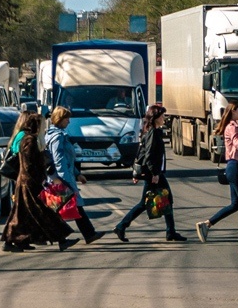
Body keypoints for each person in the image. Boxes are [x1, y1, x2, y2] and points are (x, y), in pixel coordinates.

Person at [3, 110, 73, 251]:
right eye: (41, 124)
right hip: (30, 183)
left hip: (26, 182)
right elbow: (29, 164)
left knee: (21, 214)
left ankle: (13, 241)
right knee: (44, 211)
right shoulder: (30, 140)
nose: (43, 128)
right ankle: (62, 239)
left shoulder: (27, 138)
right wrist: (40, 179)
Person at [114, 104, 180, 242]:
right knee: (146, 203)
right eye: (162, 116)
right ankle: (121, 226)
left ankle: (171, 231)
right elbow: (149, 156)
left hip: (154, 172)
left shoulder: (152, 131)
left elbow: (142, 154)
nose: (164, 118)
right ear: (155, 118)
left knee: (164, 199)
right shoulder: (153, 133)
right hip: (153, 174)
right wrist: (155, 174)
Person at [197, 102, 238, 244]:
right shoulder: (233, 127)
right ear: (233, 112)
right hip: (235, 167)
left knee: (235, 204)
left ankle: (207, 224)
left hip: (235, 167)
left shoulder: (233, 126)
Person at [44, 106, 99, 243]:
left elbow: (68, 159)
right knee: (63, 207)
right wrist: (65, 182)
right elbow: (59, 161)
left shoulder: (59, 135)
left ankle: (89, 234)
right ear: (60, 119)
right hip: (61, 178)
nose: (69, 121)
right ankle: (84, 234)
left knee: (71, 206)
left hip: (64, 176)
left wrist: (77, 174)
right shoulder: (57, 137)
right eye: (67, 118)